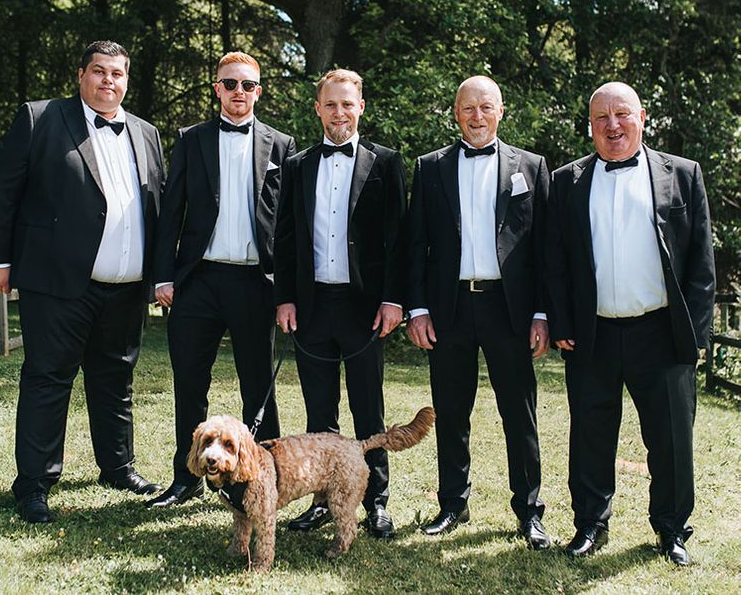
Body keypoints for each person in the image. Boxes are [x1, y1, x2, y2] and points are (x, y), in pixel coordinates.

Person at [0, 40, 166, 523]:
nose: (109, 81)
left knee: (115, 379)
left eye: (118, 74)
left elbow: (158, 210)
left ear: (127, 80)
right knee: (48, 378)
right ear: (81, 74)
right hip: (59, 282)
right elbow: (3, 191)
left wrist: (159, 277)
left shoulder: (146, 133)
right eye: (99, 71)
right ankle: (35, 484)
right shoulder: (40, 119)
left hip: (126, 286)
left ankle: (118, 466)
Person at [544, 82, 715, 566]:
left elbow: (701, 264)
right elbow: (554, 261)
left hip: (661, 333)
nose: (613, 125)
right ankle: (590, 525)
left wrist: (696, 336)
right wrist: (561, 321)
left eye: (622, 115)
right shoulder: (567, 181)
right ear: (590, 126)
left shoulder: (682, 174)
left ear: (642, 117)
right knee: (591, 435)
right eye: (602, 118)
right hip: (592, 333)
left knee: (670, 442)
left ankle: (671, 529)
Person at [406, 75, 551, 549]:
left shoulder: (531, 166)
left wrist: (542, 314)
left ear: (501, 111)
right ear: (455, 113)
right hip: (449, 307)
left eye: (486, 107)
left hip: (509, 308)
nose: (477, 116)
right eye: (468, 108)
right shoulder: (430, 169)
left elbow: (546, 251)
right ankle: (453, 503)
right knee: (451, 412)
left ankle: (529, 511)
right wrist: (419, 309)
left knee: (519, 411)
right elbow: (416, 244)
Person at [147, 51, 296, 508]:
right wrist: (162, 277)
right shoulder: (191, 139)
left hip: (256, 283)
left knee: (258, 386)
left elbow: (290, 225)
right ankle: (185, 477)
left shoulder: (281, 144)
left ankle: (265, 481)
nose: (238, 92)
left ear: (258, 91)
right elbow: (171, 212)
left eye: (247, 85)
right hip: (199, 280)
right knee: (190, 381)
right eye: (229, 83)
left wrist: (287, 291)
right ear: (217, 89)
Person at [274, 69, 406, 538]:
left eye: (347, 104)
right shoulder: (297, 164)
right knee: (319, 413)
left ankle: (376, 502)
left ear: (361, 107)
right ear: (318, 109)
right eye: (331, 104)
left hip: (364, 307)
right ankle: (323, 501)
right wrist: (285, 298)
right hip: (311, 307)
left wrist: (394, 300)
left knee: (369, 409)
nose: (339, 113)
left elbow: (397, 239)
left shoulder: (385, 162)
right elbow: (286, 238)